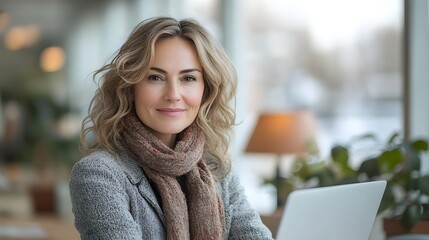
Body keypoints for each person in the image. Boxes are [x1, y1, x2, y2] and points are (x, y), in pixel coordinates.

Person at [69, 17, 273, 240]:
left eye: (188, 78)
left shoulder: (217, 170)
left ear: (206, 90)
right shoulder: (98, 174)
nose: (173, 94)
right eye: (155, 77)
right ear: (130, 87)